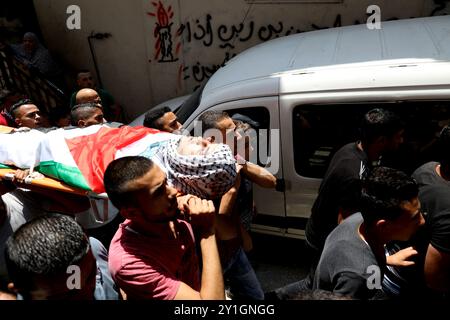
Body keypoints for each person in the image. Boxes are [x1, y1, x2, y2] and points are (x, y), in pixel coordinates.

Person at [268, 108, 404, 299]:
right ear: (381, 140)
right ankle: (269, 299)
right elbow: (345, 224)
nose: (402, 141)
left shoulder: (350, 149)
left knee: (314, 281)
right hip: (325, 237)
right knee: (314, 284)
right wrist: (379, 258)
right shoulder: (354, 174)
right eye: (398, 136)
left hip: (319, 229)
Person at [105, 156, 225, 300]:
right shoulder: (129, 263)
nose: (173, 192)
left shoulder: (171, 213)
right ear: (131, 213)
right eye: (158, 192)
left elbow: (230, 235)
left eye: (166, 182)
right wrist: (207, 233)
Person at [313, 167, 425, 299]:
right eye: (414, 218)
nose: (422, 221)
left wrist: (385, 260)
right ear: (383, 226)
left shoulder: (358, 219)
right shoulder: (360, 277)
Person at [197, 110, 276, 300]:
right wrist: (232, 191)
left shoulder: (234, 159)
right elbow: (216, 222)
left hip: (237, 244)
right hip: (222, 249)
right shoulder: (205, 171)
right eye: (232, 133)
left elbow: (270, 181)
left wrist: (240, 165)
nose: (239, 136)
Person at [382, 125, 450, 298]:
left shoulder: (428, 168)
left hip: (396, 265)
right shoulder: (447, 206)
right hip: (412, 284)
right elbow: (433, 277)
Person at [4, 213, 118, 300]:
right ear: (20, 291)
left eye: (92, 274)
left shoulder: (93, 247)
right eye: (69, 295)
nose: (89, 293)